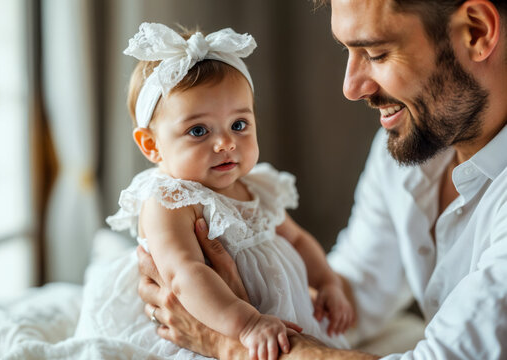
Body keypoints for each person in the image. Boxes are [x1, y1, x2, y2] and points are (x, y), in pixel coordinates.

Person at [137, 0, 507, 359]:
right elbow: (358, 289)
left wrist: (230, 344)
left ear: (476, 31)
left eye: (376, 53)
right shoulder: (412, 146)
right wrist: (243, 302)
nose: (350, 87)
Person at [75, 23, 355, 360]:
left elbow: (296, 239)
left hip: (275, 325)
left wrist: (327, 283)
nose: (225, 143)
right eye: (198, 130)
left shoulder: (257, 188)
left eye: (239, 125)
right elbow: (184, 274)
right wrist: (247, 324)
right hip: (211, 330)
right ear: (151, 146)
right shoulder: (171, 200)